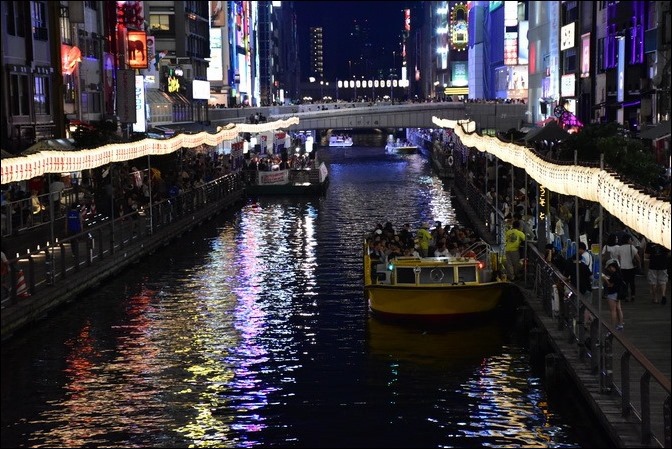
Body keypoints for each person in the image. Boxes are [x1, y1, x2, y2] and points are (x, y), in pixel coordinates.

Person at [602, 258, 625, 330]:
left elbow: (610, 285)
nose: (608, 270)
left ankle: (612, 327)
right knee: (619, 309)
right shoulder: (619, 273)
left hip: (612, 294)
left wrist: (604, 278)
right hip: (618, 293)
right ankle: (620, 324)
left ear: (612, 267)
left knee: (613, 311)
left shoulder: (614, 275)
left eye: (609, 268)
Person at [615, 234, 640, 302]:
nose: (631, 241)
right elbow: (637, 257)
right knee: (632, 282)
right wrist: (638, 264)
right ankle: (633, 295)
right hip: (631, 267)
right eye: (630, 239)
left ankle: (625, 295)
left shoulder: (619, 248)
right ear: (628, 240)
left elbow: (618, 258)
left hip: (622, 267)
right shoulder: (632, 247)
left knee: (624, 282)